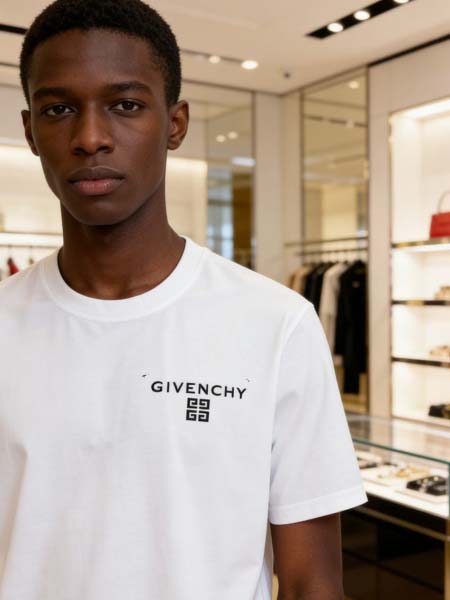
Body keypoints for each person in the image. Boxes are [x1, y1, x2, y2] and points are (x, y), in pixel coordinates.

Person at [0, 1, 367, 598]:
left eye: (125, 105)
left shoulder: (275, 324)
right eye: (59, 109)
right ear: (30, 131)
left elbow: (312, 584)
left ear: (175, 124)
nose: (90, 138)